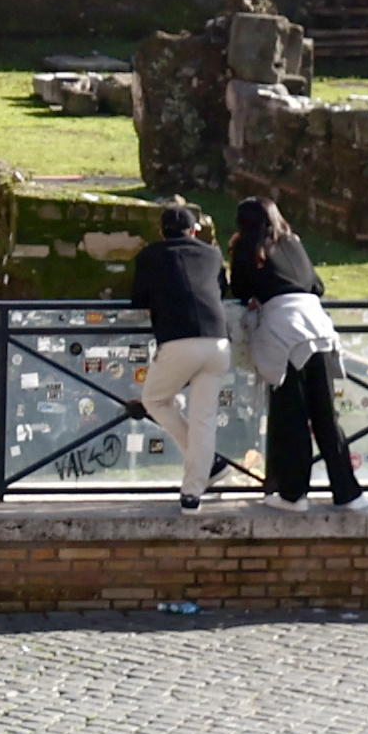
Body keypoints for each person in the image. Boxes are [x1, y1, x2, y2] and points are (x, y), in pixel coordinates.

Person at [234, 193, 355, 508]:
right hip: (319, 326)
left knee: (292, 415)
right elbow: (317, 286)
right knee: (326, 415)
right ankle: (349, 492)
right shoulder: (294, 242)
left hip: (285, 331)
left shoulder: (250, 245)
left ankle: (293, 493)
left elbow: (240, 290)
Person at [130, 200, 239, 505]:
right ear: (194, 231)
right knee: (203, 417)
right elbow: (221, 290)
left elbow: (138, 298)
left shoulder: (150, 255)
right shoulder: (213, 254)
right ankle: (193, 489)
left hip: (178, 340)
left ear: (161, 232)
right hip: (219, 341)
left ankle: (207, 468)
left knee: (154, 400)